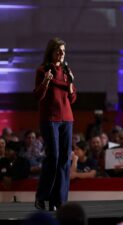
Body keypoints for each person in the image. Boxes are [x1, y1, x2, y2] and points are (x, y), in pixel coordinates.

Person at [34, 37, 77, 211]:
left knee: (64, 160)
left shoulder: (67, 72)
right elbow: (38, 96)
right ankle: (42, 197)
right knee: (54, 157)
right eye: (58, 51)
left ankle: (59, 201)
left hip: (67, 119)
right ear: (51, 52)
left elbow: (73, 99)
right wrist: (45, 81)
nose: (61, 54)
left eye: (63, 51)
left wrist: (71, 85)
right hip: (50, 119)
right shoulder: (43, 70)